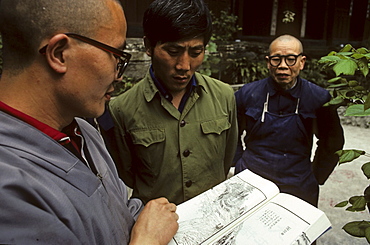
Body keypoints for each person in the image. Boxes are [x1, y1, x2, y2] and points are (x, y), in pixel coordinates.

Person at [0, 0, 178, 244]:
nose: (119, 75)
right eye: (116, 56)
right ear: (60, 53)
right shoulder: (9, 190)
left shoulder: (83, 129)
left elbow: (119, 211)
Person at [109, 0, 238, 205]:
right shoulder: (121, 109)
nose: (184, 65)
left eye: (196, 53)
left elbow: (226, 159)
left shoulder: (224, 96)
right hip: (157, 230)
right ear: (149, 46)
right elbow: (127, 174)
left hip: (212, 220)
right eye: (173, 51)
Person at [233, 35, 344, 206]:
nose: (283, 66)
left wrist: (316, 175)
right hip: (251, 178)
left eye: (291, 59)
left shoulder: (318, 98)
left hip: (298, 182)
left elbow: (332, 142)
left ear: (302, 62)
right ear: (268, 62)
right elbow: (232, 134)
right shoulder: (247, 94)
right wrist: (239, 166)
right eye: (276, 59)